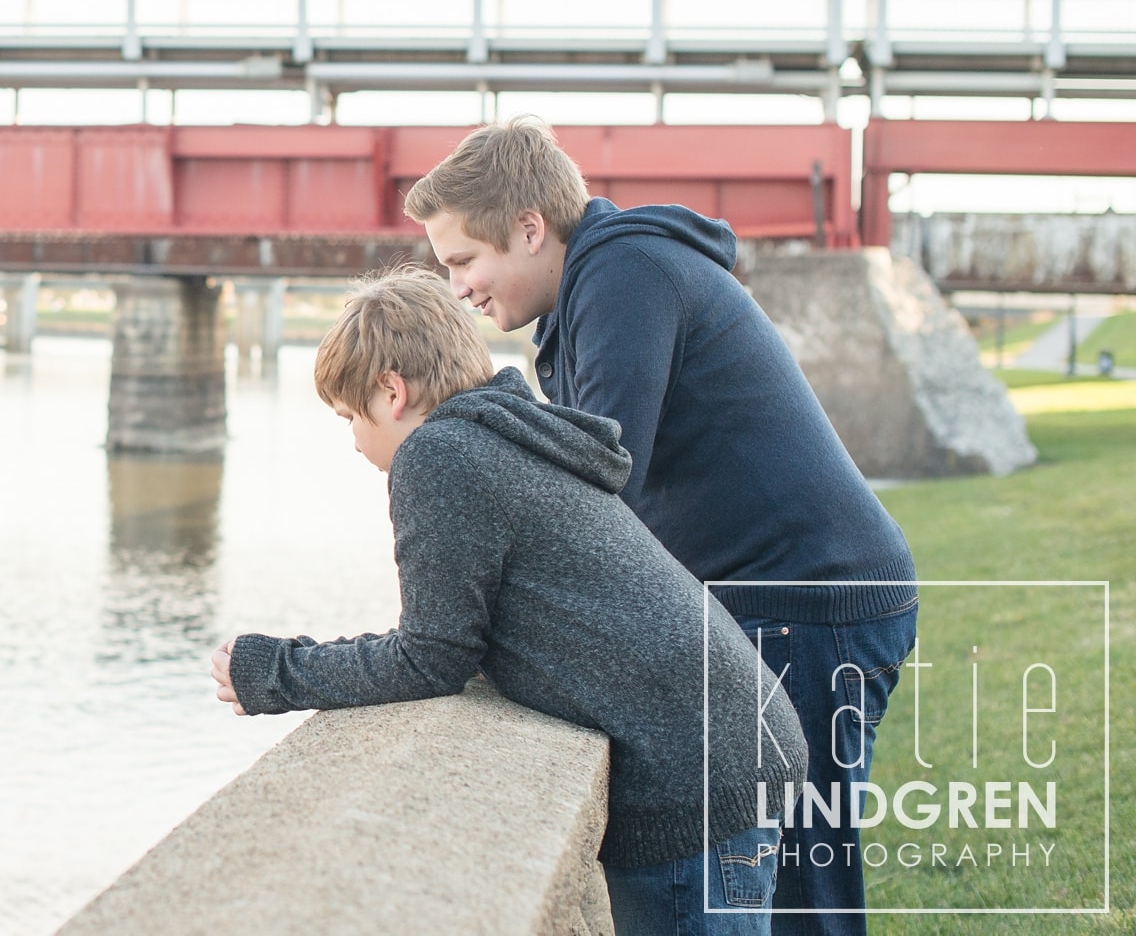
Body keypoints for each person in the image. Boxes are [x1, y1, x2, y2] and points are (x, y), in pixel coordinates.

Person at [400, 116, 919, 936]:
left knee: (801, 894)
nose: (457, 286)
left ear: (530, 228)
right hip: (776, 598)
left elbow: (602, 472)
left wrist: (463, 445)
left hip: (810, 600)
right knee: (783, 885)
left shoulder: (623, 272)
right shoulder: (581, 304)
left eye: (464, 259)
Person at [210, 268, 805, 936]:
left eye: (350, 416)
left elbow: (429, 658)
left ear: (391, 392)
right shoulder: (508, 436)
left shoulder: (440, 455)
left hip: (692, 775)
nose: (353, 440)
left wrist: (274, 671)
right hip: (735, 738)